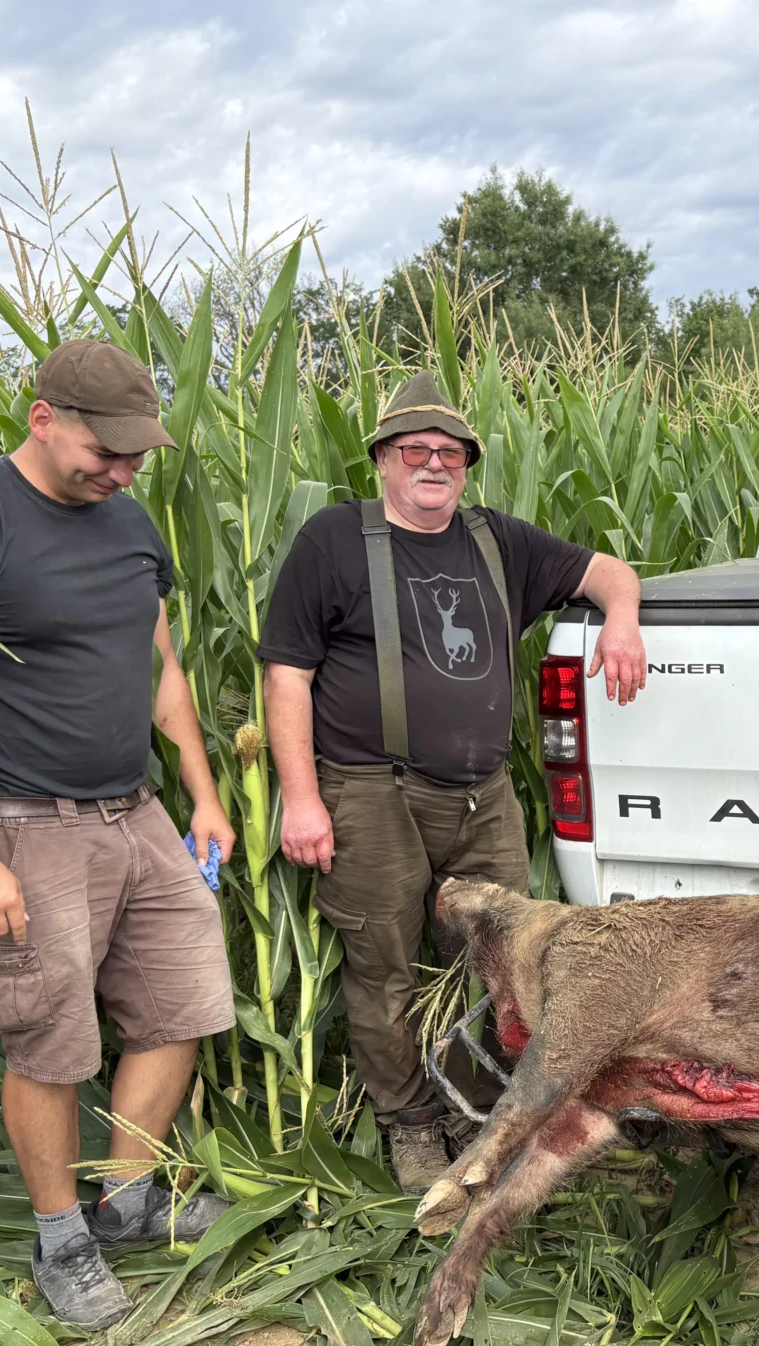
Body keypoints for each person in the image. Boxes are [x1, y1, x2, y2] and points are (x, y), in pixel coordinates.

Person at [0, 339, 238, 1330]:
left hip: (138, 813)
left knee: (182, 1003)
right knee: (49, 1041)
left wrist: (202, 795)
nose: (123, 471)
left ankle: (126, 1203)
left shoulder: (131, 523)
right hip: (24, 825)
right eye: (105, 452)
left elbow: (162, 672)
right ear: (42, 420)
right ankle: (60, 1239)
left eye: (137, 455)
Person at [260, 373, 645, 1191]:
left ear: (467, 465)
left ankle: (479, 1116)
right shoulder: (334, 541)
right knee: (385, 967)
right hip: (372, 792)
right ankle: (410, 1125)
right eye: (415, 451)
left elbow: (608, 570)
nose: (434, 463)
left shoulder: (497, 540)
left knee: (499, 960)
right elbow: (287, 673)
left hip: (483, 794)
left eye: (451, 452)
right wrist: (302, 799)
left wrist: (622, 621)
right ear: (382, 460)